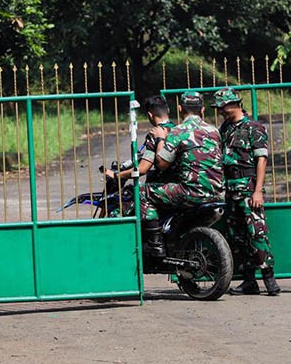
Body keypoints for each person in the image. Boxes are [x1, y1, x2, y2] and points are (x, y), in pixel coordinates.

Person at [139, 91, 225, 256]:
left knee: (143, 192)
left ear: (179, 109)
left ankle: (154, 244)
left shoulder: (177, 132)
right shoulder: (214, 131)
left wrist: (161, 139)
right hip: (217, 192)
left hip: (191, 192)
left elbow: (161, 164)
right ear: (203, 109)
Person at [213, 87, 280, 295]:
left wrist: (258, 191)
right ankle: (249, 281)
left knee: (257, 233)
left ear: (234, 104)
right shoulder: (225, 129)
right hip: (231, 188)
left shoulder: (254, 128)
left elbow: (262, 159)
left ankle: (269, 280)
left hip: (248, 188)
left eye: (223, 107)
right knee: (237, 236)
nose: (221, 111)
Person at [105, 95, 177, 185]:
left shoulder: (155, 134)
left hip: (165, 187)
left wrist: (117, 175)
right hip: (180, 183)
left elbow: (142, 169)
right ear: (168, 110)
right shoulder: (177, 130)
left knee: (130, 192)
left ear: (150, 115)